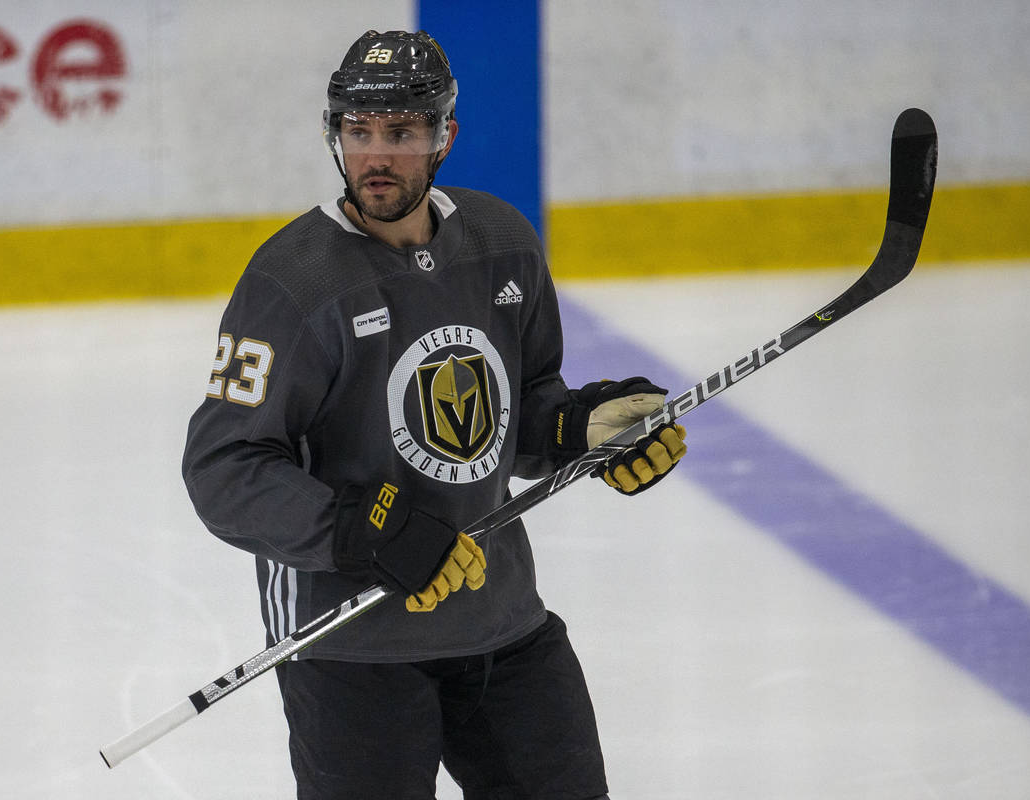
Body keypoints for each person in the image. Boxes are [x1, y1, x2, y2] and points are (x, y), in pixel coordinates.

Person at [182, 29, 688, 799]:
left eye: (402, 133)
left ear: (445, 136)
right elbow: (225, 469)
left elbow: (520, 413)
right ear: (334, 135)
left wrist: (578, 430)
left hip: (500, 620)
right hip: (350, 641)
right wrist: (363, 529)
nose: (376, 156)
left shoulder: (501, 243)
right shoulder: (294, 280)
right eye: (358, 131)